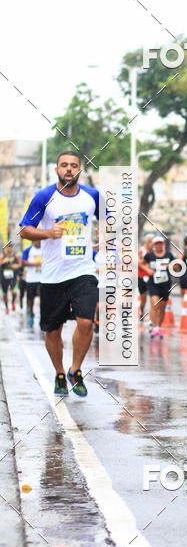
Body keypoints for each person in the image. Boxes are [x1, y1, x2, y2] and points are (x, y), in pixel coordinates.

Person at [19, 150, 99, 396]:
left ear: (79, 171)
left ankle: (76, 370)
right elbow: (24, 230)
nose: (68, 169)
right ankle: (59, 373)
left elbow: (113, 221)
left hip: (83, 270)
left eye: (73, 165)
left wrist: (104, 240)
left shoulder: (92, 196)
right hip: (53, 274)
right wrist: (48, 233)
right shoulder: (44, 197)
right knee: (52, 330)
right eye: (64, 165)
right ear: (56, 169)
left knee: (86, 321)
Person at [144, 235, 174, 338]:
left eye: (160, 243)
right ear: (153, 245)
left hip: (165, 284)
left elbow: (176, 266)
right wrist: (147, 270)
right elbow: (141, 263)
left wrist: (173, 265)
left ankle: (158, 328)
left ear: (163, 244)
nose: (158, 245)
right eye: (156, 243)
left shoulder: (169, 255)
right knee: (155, 304)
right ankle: (155, 328)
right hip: (153, 283)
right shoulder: (150, 255)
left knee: (162, 307)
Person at [21, 239, 43, 328]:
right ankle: (31, 314)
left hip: (42, 279)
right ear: (34, 241)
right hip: (31, 279)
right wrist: (35, 264)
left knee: (43, 298)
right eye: (38, 240)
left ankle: (42, 316)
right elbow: (23, 262)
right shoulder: (28, 249)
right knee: (31, 300)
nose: (39, 242)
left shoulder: (44, 248)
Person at [138, 233, 154, 323]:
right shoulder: (141, 250)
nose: (151, 243)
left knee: (153, 296)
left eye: (152, 241)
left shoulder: (154, 251)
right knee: (143, 298)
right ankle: (142, 311)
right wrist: (147, 269)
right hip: (142, 276)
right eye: (150, 241)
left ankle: (152, 316)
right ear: (147, 241)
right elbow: (138, 263)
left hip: (152, 277)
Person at [0, 243, 20, 313]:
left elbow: (20, 264)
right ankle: (6, 307)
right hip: (4, 277)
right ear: (5, 248)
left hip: (13, 276)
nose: (9, 248)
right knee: (5, 294)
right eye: (8, 247)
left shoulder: (16, 255)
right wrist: (3, 262)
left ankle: (13, 302)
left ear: (12, 247)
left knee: (14, 292)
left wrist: (16, 266)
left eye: (10, 247)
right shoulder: (2, 255)